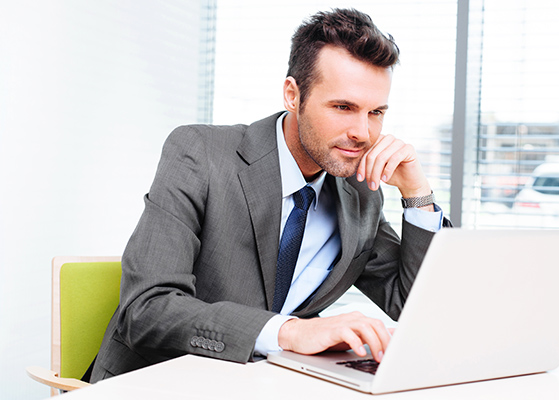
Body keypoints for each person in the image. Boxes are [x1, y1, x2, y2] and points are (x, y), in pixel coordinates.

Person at [90, 8, 451, 383]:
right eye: (343, 107)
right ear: (293, 95)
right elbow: (147, 310)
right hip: (159, 381)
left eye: (376, 112)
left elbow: (417, 305)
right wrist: (290, 332)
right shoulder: (201, 153)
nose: (363, 132)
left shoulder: (359, 192)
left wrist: (417, 195)